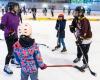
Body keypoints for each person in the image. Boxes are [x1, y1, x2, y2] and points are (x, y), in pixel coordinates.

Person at [0, 2, 20, 74]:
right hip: (8, 36)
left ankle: (13, 60)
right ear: (11, 7)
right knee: (10, 51)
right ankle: (6, 66)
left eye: (17, 6)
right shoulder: (6, 15)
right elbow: (2, 26)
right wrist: (9, 32)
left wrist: (18, 34)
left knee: (16, 49)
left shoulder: (17, 16)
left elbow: (17, 27)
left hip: (15, 36)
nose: (17, 8)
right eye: (16, 6)